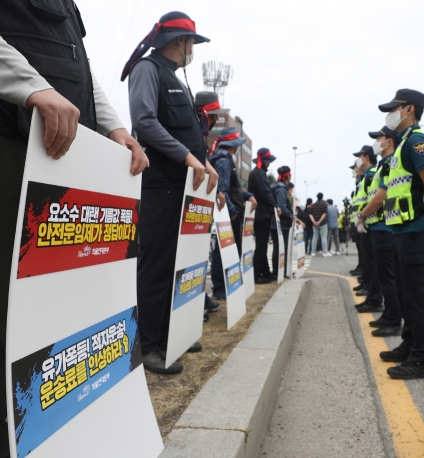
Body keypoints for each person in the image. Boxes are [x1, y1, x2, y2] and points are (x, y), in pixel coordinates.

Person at [0, 3, 149, 456]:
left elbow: (78, 60)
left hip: (60, 153)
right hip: (6, 140)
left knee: (58, 314)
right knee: (1, 315)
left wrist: (112, 125)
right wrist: (31, 87)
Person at [124, 11, 220, 375]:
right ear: (180, 41)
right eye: (192, 42)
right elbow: (145, 123)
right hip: (161, 188)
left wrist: (202, 162)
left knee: (178, 267)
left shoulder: (176, 80)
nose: (192, 49)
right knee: (157, 269)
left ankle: (170, 335)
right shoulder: (148, 70)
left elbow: (188, 137)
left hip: (182, 191)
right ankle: (148, 346)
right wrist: (189, 158)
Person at [374, 89, 424, 380]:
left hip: (416, 231)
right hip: (400, 231)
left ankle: (423, 359)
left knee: (417, 297)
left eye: (394, 108)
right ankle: (411, 344)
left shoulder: (417, 142)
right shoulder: (401, 147)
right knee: (405, 294)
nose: (390, 114)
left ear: (409, 109)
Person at [357, 126, 402, 336]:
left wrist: (361, 215)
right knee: (385, 275)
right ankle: (390, 315)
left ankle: (393, 318)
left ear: (389, 140)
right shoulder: (383, 165)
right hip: (379, 226)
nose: (377, 141)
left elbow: (380, 197)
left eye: (379, 138)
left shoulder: (390, 163)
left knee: (388, 276)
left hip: (385, 226)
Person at [209, 127, 257, 299]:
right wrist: (233, 211)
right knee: (222, 251)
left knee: (225, 250)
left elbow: (232, 190)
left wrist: (248, 195)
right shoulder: (223, 161)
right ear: (233, 145)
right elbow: (222, 190)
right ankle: (220, 288)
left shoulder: (223, 159)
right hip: (229, 213)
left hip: (230, 211)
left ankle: (224, 286)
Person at [194, 91, 227, 316]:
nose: (214, 122)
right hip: (189, 202)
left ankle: (199, 300)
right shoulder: (192, 130)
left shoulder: (198, 133)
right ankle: (197, 303)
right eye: (213, 116)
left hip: (198, 206)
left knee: (198, 257)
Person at [352, 146, 382, 313]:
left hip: (372, 224)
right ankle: (372, 297)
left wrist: (362, 217)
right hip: (366, 224)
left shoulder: (371, 175)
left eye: (360, 156)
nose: (358, 160)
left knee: (373, 267)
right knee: (369, 265)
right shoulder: (365, 178)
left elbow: (376, 199)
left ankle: (375, 299)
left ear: (367, 157)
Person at [248, 148, 278, 283]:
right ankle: (255, 274)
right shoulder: (260, 174)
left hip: (258, 213)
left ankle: (265, 272)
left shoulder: (255, 172)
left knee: (262, 244)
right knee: (261, 246)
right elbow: (265, 192)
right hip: (262, 213)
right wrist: (275, 205)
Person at [270, 166, 293, 278]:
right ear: (288, 176)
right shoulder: (281, 189)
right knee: (280, 249)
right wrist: (290, 214)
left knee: (277, 248)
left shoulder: (275, 186)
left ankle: (278, 271)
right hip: (281, 224)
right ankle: (279, 272)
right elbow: (282, 207)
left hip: (275, 223)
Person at [309, 192, 330, 257]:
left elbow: (310, 214)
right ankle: (325, 252)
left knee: (315, 238)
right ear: (322, 197)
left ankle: (313, 252)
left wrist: (314, 221)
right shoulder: (324, 204)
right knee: (323, 238)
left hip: (315, 224)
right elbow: (325, 213)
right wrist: (320, 221)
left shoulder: (313, 205)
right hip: (323, 223)